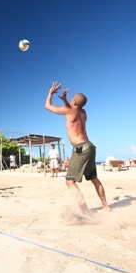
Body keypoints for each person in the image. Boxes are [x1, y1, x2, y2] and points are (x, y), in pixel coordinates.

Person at [44, 81, 110, 215]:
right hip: (90, 146)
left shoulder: (69, 111)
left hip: (80, 148)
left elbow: (47, 106)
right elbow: (74, 109)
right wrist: (66, 100)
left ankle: (86, 213)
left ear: (73, 101)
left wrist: (50, 93)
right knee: (94, 179)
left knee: (70, 182)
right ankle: (105, 207)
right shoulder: (84, 113)